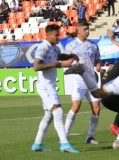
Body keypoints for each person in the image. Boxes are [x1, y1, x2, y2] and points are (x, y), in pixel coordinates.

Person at [31, 24, 79, 153]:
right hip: (45, 85)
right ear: (48, 35)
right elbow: (36, 67)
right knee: (57, 112)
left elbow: (60, 57)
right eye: (57, 35)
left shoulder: (54, 48)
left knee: (49, 115)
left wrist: (72, 56)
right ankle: (64, 144)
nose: (59, 37)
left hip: (50, 85)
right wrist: (58, 64)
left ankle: (37, 144)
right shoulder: (43, 47)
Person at [64, 22, 102, 144]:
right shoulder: (71, 46)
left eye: (88, 29)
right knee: (76, 107)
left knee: (96, 108)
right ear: (78, 30)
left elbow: (97, 59)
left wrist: (98, 67)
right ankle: (64, 136)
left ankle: (90, 137)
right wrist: (73, 64)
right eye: (85, 29)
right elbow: (66, 61)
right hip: (79, 80)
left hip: (92, 80)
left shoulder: (93, 45)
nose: (87, 31)